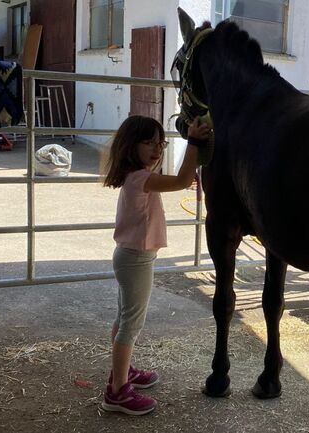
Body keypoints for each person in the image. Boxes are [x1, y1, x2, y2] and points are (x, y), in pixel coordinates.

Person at [100, 115, 210, 415]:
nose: (157, 149)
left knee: (124, 319)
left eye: (160, 143)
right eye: (148, 142)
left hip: (129, 256)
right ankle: (117, 392)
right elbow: (181, 181)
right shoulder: (140, 179)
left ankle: (122, 373)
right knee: (131, 325)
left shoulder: (136, 177)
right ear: (130, 145)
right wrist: (194, 143)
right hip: (136, 259)